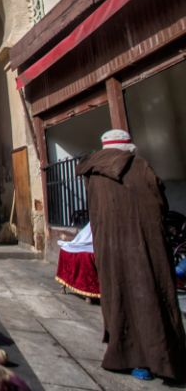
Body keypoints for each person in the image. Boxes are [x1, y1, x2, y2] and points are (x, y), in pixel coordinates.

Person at [76, 129, 186, 382]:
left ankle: (125, 354)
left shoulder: (93, 172)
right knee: (151, 297)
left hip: (109, 247)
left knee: (118, 297)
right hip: (145, 246)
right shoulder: (141, 168)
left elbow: (94, 211)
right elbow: (160, 204)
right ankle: (159, 359)